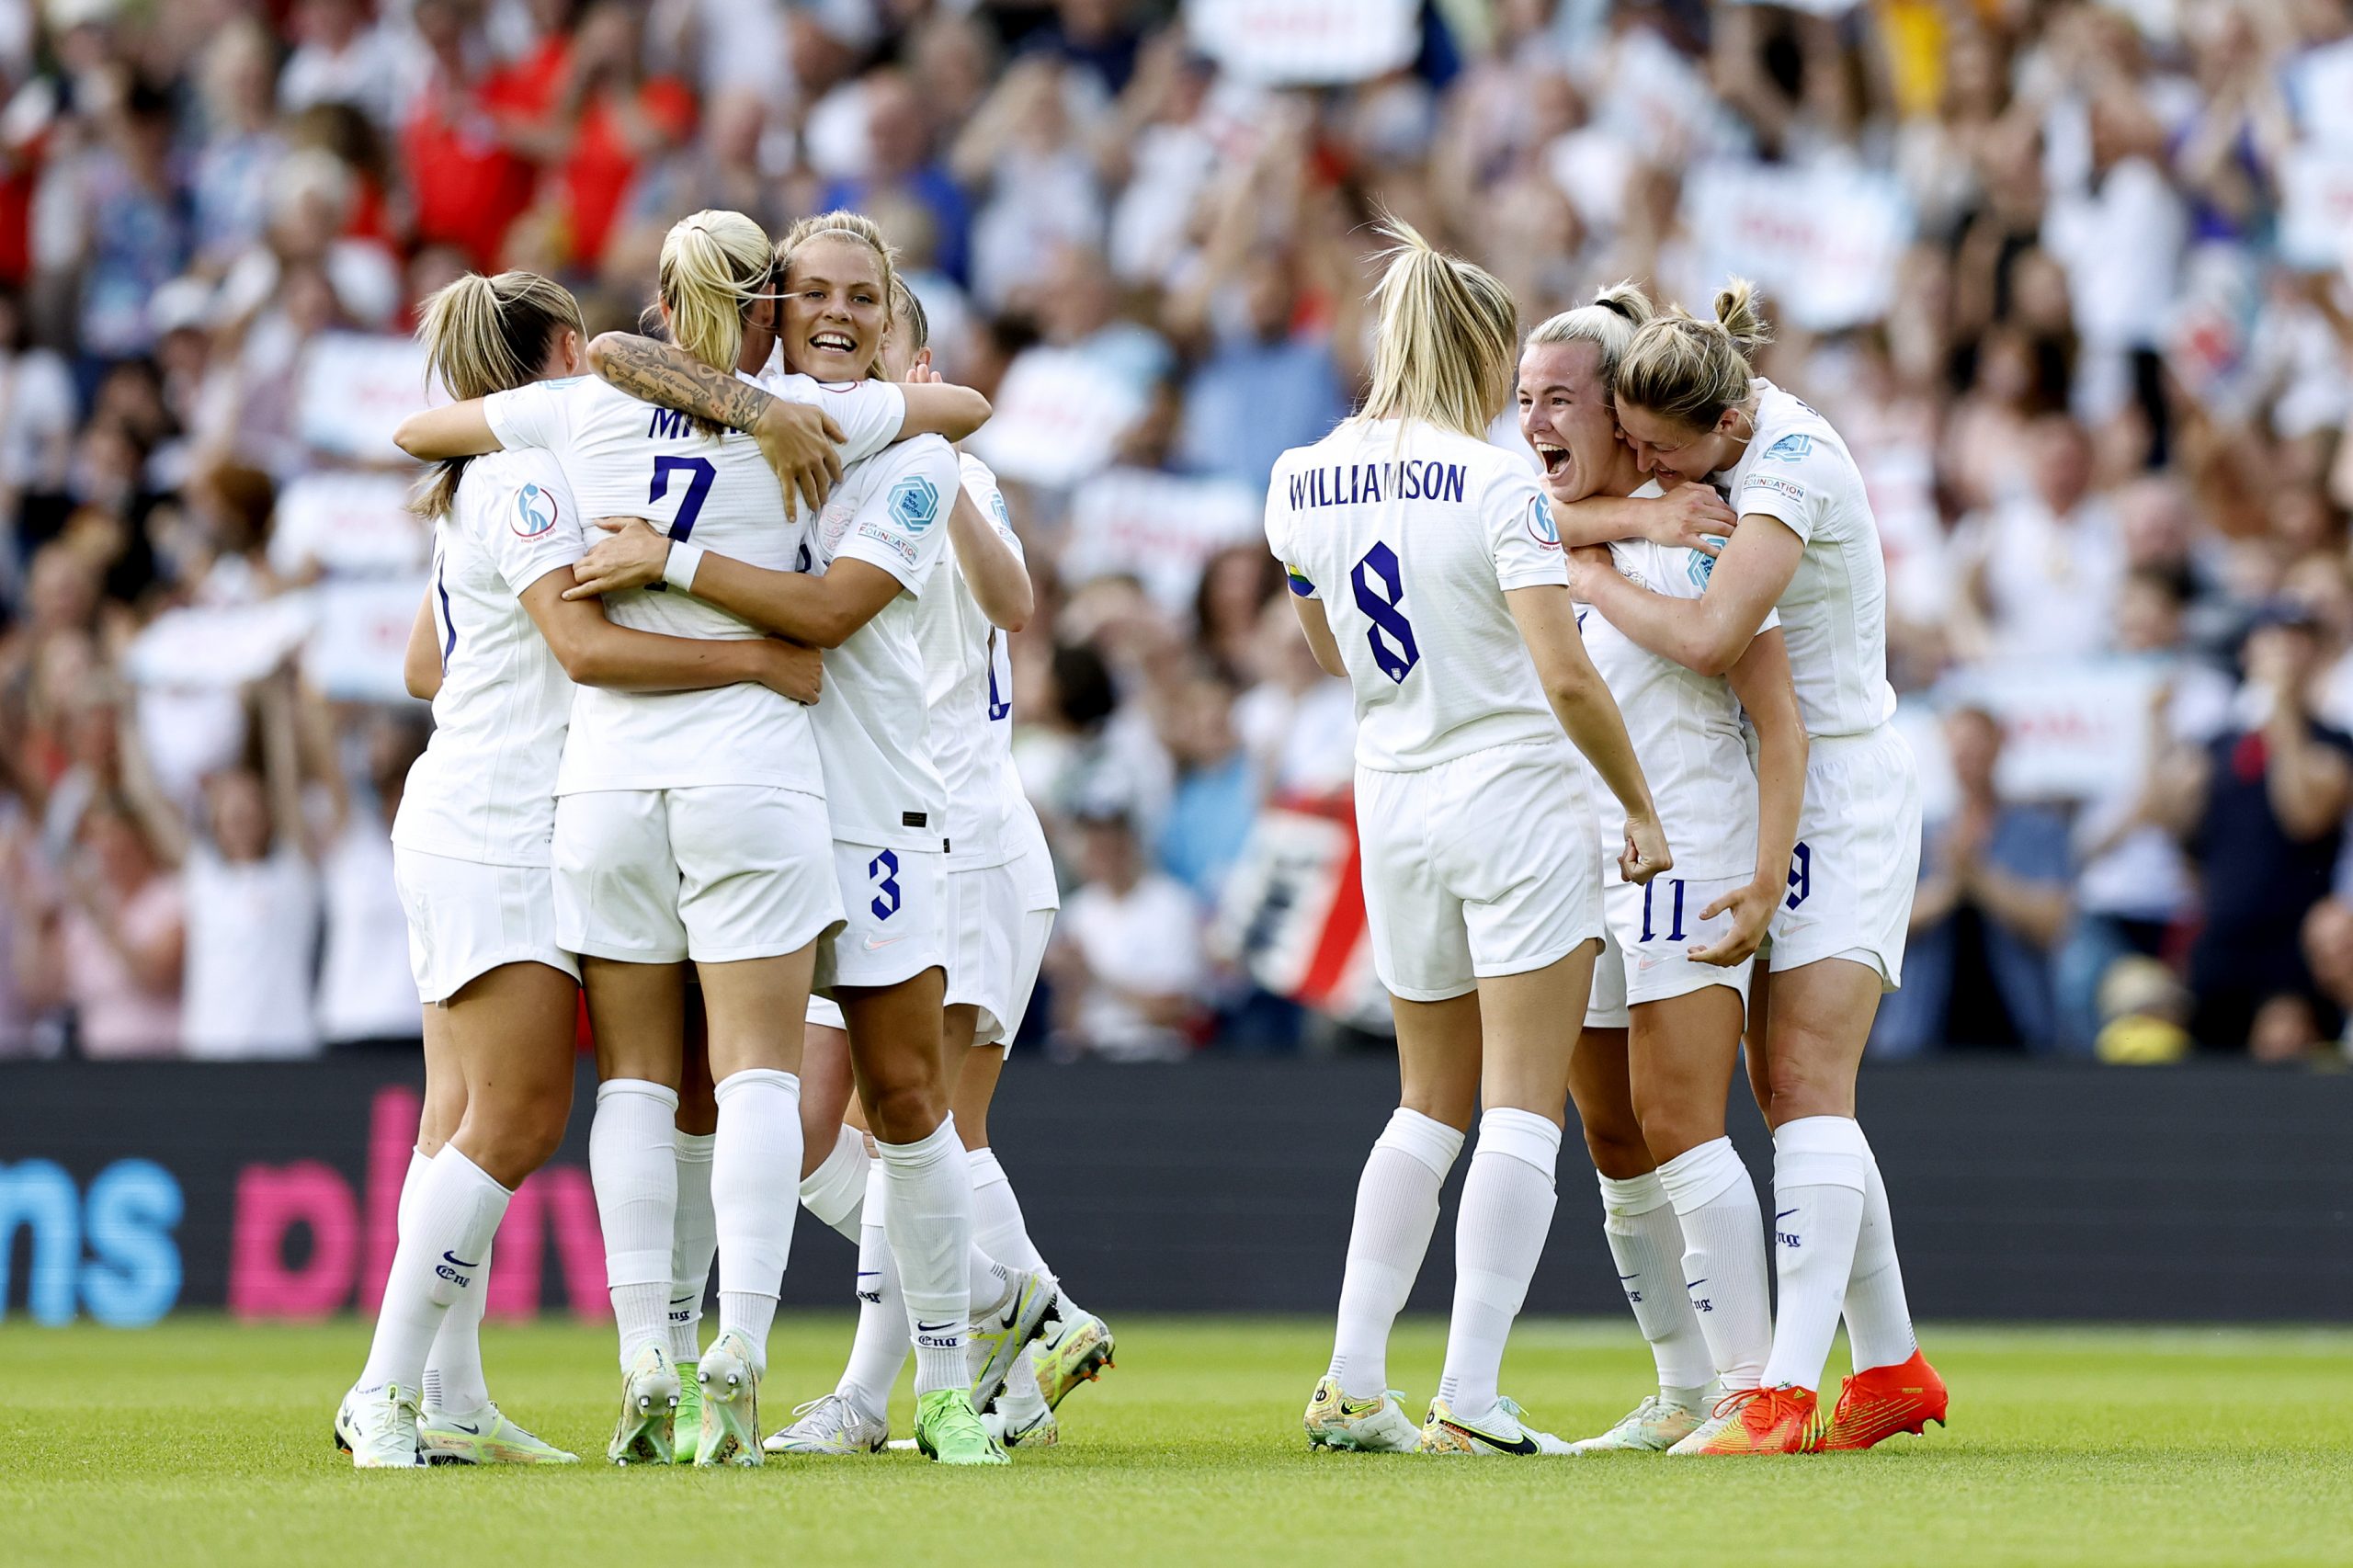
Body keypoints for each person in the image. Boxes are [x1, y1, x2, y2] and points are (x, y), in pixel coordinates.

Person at [392, 213, 928, 1467]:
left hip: (606, 782)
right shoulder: (810, 408)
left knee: (631, 1081)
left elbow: (420, 434)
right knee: (748, 1073)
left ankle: (641, 1360)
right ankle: (733, 1346)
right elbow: (955, 407)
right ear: (765, 304)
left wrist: (646, 372)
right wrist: (752, 404)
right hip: (748, 762)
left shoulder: (575, 412)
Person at [335, 267, 824, 1470]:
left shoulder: (478, 480)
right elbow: (585, 646)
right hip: (501, 825)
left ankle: (447, 1398)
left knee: (454, 1120)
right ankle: (380, 1389)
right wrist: (754, 658)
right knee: (515, 1116)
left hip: (456, 803)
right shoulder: (535, 477)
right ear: (564, 349)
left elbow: (422, 665)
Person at [564, 210, 1017, 1466]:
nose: (833, 313)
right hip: (749, 799)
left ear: (892, 316)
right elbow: (615, 348)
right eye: (808, 291)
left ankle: (942, 1386)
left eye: (860, 298)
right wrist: (748, 406)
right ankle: (693, 1354)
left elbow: (829, 608)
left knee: (911, 1102)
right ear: (766, 309)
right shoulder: (753, 407)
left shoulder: (911, 454)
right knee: (723, 1094)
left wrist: (677, 555)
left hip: (873, 810)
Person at [1268, 220, 1669, 1458]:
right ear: (1490, 353)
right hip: (1515, 792)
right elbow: (1567, 677)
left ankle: (1350, 1375)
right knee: (1517, 1109)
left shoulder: (1297, 475)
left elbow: (1324, 643)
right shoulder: (1497, 483)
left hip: (1391, 789)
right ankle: (1472, 1396)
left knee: (1422, 1102)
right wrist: (1641, 808)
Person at [1566, 280, 1942, 1454]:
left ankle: (1774, 1390)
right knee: (1789, 1091)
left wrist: (1590, 573)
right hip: (1768, 789)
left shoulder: (1791, 463)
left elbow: (1710, 637)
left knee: (1804, 1076)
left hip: (1841, 783)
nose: (1644, 467)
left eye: (1659, 451)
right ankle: (1888, 1367)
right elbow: (1547, 507)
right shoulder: (1715, 435)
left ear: (1724, 432)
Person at [760, 278, 1106, 1457]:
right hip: (888, 831)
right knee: (838, 1130)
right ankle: (1023, 1302)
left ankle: (876, 1390)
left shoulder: (949, 473)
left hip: (958, 834)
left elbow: (1014, 600)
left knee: (918, 1123)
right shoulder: (829, 473)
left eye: (890, 339)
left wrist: (942, 456)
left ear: (921, 361)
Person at [1516, 285, 1806, 1454]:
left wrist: (1767, 872)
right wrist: (1606, 534)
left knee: (1680, 1111)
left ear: (1619, 416)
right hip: (1573, 853)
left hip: (1684, 837)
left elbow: (1775, 716)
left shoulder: (1695, 526)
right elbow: (1518, 523)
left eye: (1560, 401)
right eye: (1522, 399)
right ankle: (1684, 1384)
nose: (1535, 421)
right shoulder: (1546, 525)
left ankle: (1753, 1386)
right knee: (1613, 1132)